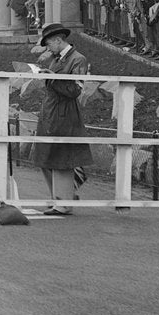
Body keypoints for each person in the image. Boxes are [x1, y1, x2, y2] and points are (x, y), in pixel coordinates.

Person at [30, 23, 93, 216]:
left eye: (49, 44)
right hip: (51, 112)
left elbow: (75, 90)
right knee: (45, 157)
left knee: (61, 158)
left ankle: (63, 201)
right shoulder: (56, 59)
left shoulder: (78, 59)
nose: (48, 48)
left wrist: (52, 78)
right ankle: (60, 197)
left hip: (65, 113)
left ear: (58, 40)